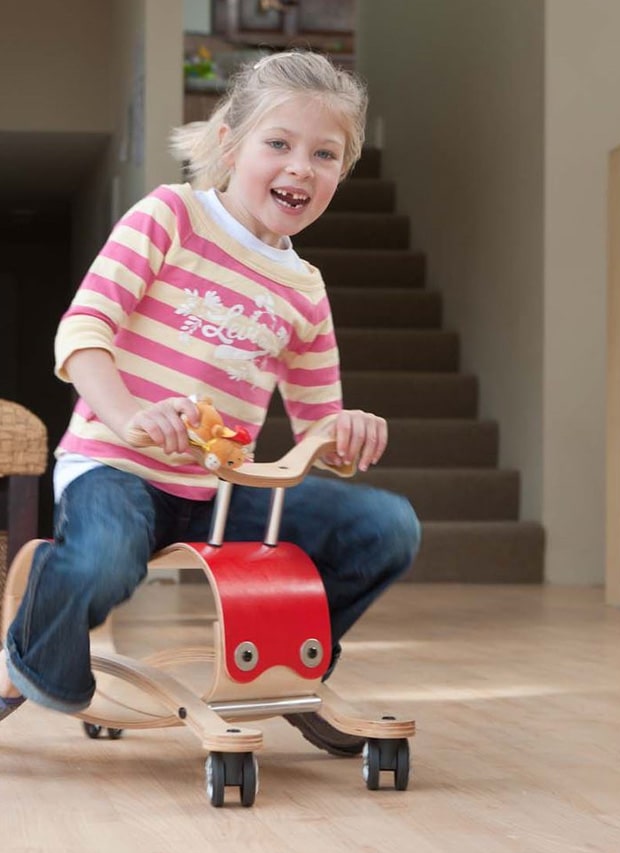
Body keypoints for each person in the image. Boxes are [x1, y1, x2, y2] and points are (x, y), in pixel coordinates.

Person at [0, 52, 421, 755]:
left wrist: (343, 432)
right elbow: (83, 332)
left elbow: (319, 430)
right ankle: (36, 641)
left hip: (221, 490)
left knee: (387, 527)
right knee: (103, 561)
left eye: (325, 154)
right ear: (230, 143)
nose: (300, 168)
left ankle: (293, 666)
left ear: (339, 175)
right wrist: (130, 413)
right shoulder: (171, 215)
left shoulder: (305, 289)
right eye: (279, 144)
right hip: (114, 463)